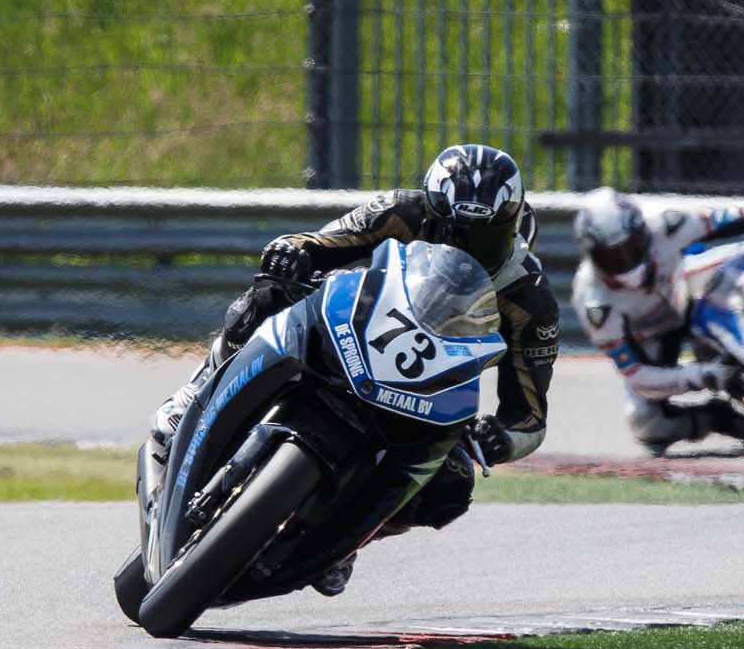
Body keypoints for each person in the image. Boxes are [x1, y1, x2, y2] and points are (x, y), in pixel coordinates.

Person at [149, 143, 560, 594]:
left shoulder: (530, 299)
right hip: (351, 331)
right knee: (267, 296)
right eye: (452, 231)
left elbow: (529, 417)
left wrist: (499, 439)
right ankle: (198, 390)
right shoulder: (401, 211)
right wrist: (290, 252)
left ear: (513, 228)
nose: (464, 247)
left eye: (484, 238)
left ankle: (348, 541)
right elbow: (319, 243)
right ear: (432, 211)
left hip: (426, 395)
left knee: (452, 484)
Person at [572, 186, 744, 456]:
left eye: (629, 248)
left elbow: (741, 212)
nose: (623, 262)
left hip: (693, 290)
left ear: (643, 233)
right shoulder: (594, 302)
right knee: (647, 424)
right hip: (649, 335)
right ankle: (719, 418)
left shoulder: (666, 223)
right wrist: (701, 375)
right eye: (610, 256)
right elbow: (637, 375)